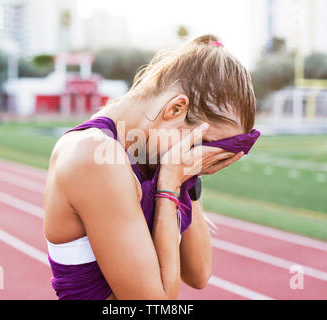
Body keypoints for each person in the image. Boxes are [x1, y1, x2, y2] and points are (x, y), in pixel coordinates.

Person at [43, 34, 259, 300]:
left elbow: (198, 273)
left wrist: (188, 177)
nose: (200, 157)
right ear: (176, 109)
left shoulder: (154, 154)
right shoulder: (96, 155)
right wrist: (168, 185)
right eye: (202, 144)